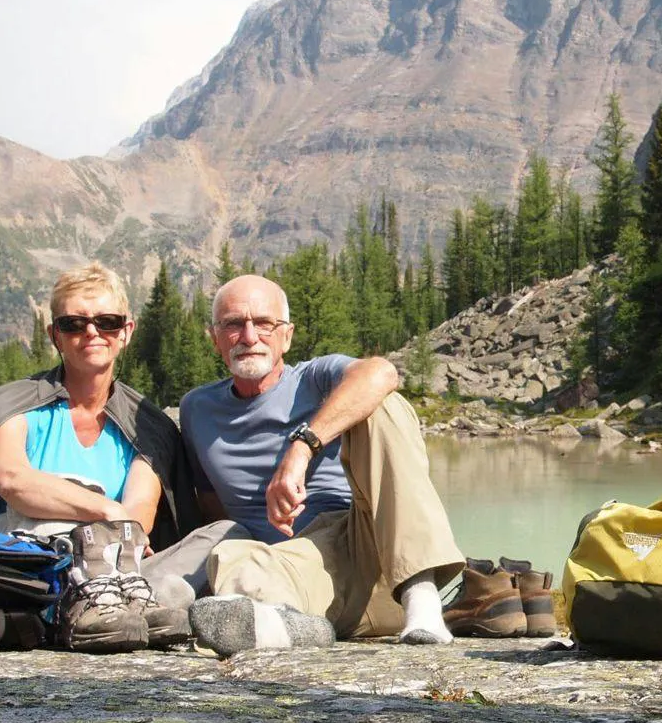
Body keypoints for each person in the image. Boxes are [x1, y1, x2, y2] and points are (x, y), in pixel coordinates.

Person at [181, 273, 464, 653]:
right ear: (214, 338)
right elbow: (210, 506)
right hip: (297, 572)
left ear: (287, 336)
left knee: (383, 405)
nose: (249, 336)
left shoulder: (315, 379)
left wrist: (301, 449)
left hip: (368, 554)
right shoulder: (197, 409)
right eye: (233, 324)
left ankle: (422, 599)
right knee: (231, 559)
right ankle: (290, 627)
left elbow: (381, 373)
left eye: (264, 323)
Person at [0, 262, 202, 652]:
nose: (91, 332)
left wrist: (118, 527)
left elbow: (140, 508)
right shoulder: (12, 405)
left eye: (107, 322)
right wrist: (106, 510)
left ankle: (122, 600)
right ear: (55, 335)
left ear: (126, 332)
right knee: (47, 514)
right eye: (74, 323)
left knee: (223, 535)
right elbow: (13, 481)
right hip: (30, 562)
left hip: (119, 560)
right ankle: (82, 604)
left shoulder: (148, 425)